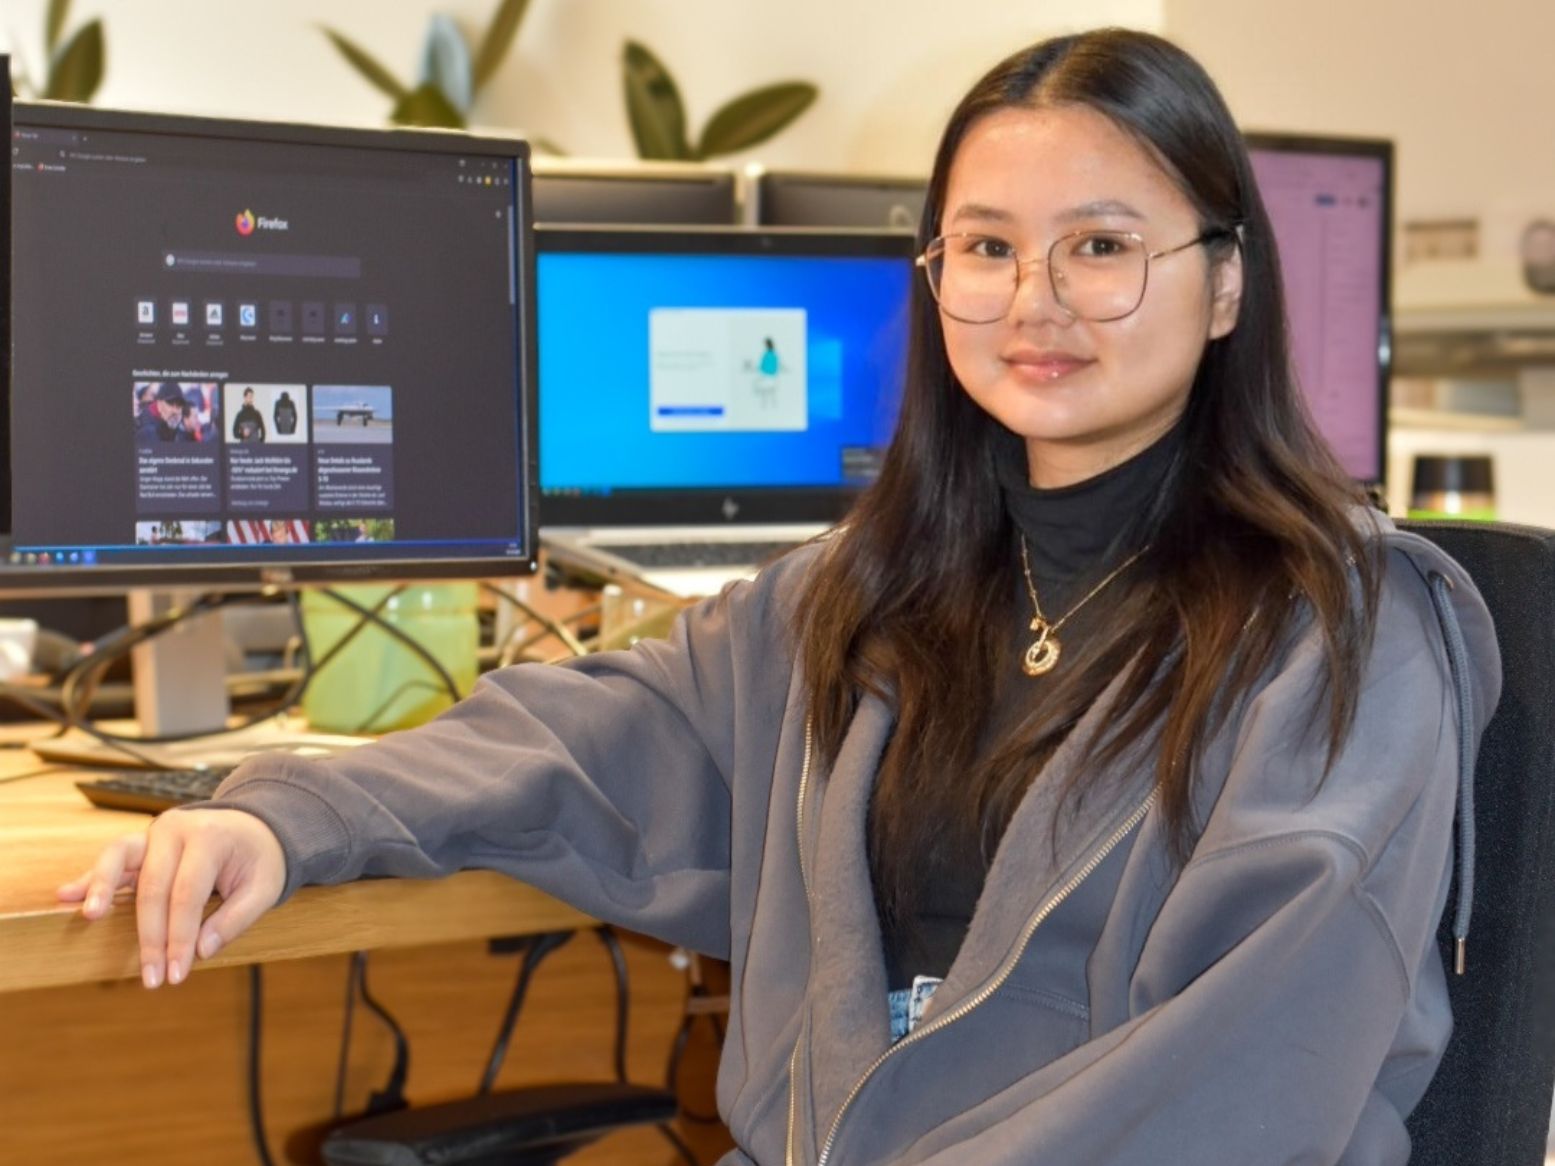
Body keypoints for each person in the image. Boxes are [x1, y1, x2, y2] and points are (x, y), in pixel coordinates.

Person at [62, 29, 1498, 1166]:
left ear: (1226, 284)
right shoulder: (861, 597)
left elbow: (1246, 1080)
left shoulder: (1342, 634)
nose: (1032, 301)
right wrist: (284, 815)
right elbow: (591, 730)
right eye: (986, 247)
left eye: (1102, 247)